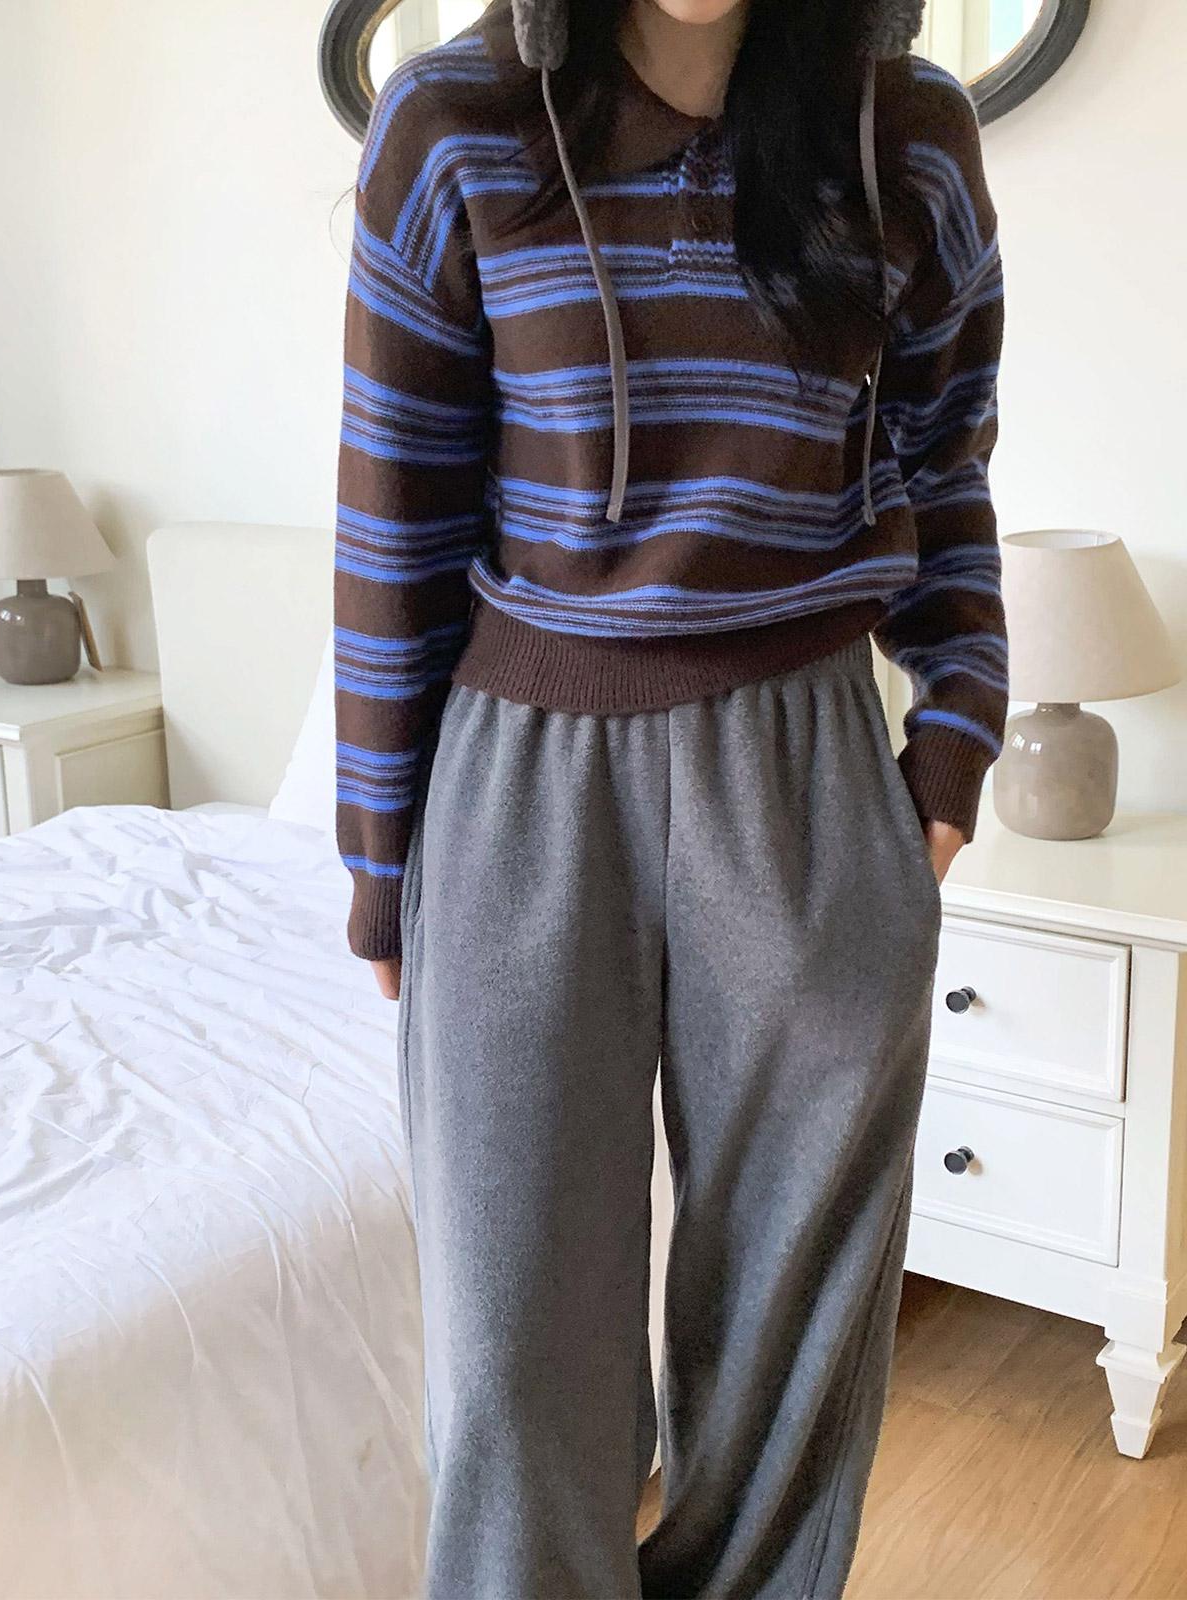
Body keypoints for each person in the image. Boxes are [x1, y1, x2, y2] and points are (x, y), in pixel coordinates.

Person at [333, 0, 1006, 1592]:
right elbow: (395, 505)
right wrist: (380, 855)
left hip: (806, 770)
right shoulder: (453, 128)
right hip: (524, 781)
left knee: (790, 1351)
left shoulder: (909, 137)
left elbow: (946, 455)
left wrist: (954, 736)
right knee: (511, 1362)